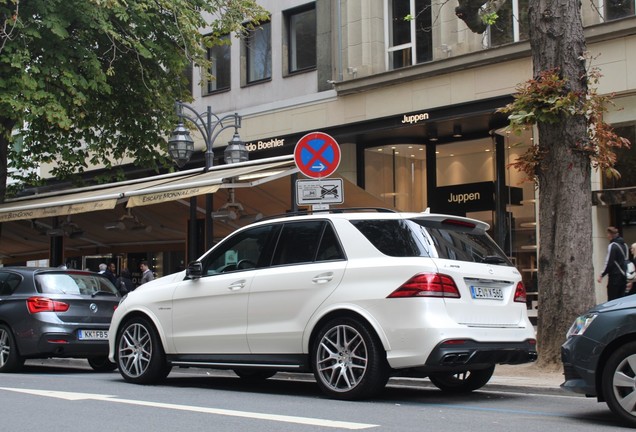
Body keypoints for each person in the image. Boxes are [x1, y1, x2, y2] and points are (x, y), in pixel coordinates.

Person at [597, 226, 628, 301]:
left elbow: (609, 262)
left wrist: (602, 275)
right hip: (624, 276)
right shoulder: (625, 245)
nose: (607, 236)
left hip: (614, 278)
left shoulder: (612, 246)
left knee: (612, 301)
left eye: (608, 234)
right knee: (621, 301)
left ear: (611, 235)